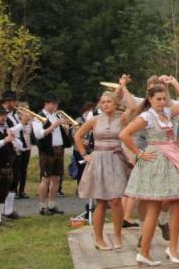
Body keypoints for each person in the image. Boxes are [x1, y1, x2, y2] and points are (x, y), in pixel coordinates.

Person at [121, 77, 179, 265]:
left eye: (164, 98)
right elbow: (124, 134)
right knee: (154, 208)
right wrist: (139, 153)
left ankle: (172, 248)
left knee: (178, 202)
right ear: (150, 99)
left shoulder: (167, 112)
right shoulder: (147, 117)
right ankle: (144, 251)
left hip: (173, 159)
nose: (162, 102)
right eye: (158, 99)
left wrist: (174, 82)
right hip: (156, 161)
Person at [75, 89, 131, 251]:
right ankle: (99, 239)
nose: (105, 104)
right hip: (98, 159)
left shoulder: (122, 118)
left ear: (115, 104)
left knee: (116, 200)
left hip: (116, 158)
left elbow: (133, 107)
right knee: (100, 201)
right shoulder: (94, 120)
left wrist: (123, 87)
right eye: (103, 102)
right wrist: (85, 154)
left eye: (109, 102)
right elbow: (78, 136)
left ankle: (118, 235)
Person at [31, 94, 72, 216]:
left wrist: (65, 128)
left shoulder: (57, 115)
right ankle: (42, 206)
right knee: (46, 179)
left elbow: (65, 132)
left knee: (56, 178)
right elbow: (39, 135)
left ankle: (52, 204)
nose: (55, 106)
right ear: (46, 103)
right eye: (53, 103)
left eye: (56, 104)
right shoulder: (39, 117)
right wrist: (54, 125)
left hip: (59, 149)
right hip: (47, 150)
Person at [0, 92, 23, 219]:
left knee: (14, 180)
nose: (15, 103)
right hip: (6, 150)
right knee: (6, 181)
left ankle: (9, 210)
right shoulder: (0, 115)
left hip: (15, 149)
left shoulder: (13, 115)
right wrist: (22, 123)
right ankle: (1, 211)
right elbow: (8, 131)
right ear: (7, 101)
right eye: (13, 101)